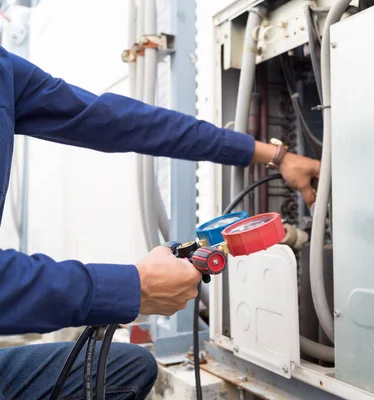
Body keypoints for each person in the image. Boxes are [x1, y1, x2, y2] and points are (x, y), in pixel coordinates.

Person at [0, 46, 320, 399]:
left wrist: (275, 156)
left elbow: (121, 121)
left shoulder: (5, 71)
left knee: (128, 369)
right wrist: (132, 288)